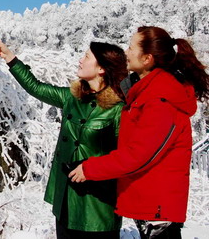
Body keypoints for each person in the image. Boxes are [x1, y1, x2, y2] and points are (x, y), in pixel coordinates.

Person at [69, 26, 209, 239]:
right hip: (148, 200)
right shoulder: (146, 92)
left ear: (147, 59)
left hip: (158, 206)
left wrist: (90, 168)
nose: (127, 52)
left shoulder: (160, 100)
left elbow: (139, 155)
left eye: (131, 47)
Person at [0, 32, 128, 239]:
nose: (81, 60)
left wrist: (92, 169)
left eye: (87, 56)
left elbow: (126, 156)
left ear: (101, 68)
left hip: (97, 201)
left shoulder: (118, 108)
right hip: (67, 196)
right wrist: (10, 57)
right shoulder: (71, 97)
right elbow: (36, 87)